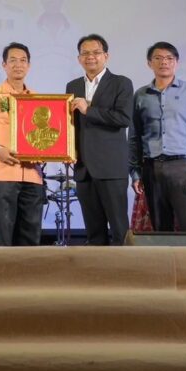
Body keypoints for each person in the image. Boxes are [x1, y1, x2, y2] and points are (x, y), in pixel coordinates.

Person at [129, 42, 186, 233]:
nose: (163, 62)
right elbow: (134, 137)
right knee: (160, 230)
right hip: (152, 169)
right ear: (149, 63)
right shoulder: (141, 95)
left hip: (184, 168)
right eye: (158, 58)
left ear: (177, 62)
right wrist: (135, 173)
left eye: (169, 58)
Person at [0, 42, 44, 246]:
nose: (18, 65)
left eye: (23, 60)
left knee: (31, 238)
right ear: (4, 65)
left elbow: (43, 136)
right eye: (12, 60)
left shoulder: (38, 98)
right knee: (3, 237)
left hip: (33, 176)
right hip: (3, 175)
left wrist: (45, 153)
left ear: (29, 66)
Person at [66, 34, 134, 245]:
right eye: (85, 53)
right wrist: (66, 150)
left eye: (96, 52)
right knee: (94, 233)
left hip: (111, 168)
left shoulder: (121, 83)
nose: (90, 57)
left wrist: (89, 110)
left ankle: (124, 267)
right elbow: (70, 125)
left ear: (106, 56)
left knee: (119, 229)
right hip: (83, 169)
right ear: (79, 58)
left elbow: (123, 118)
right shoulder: (72, 86)